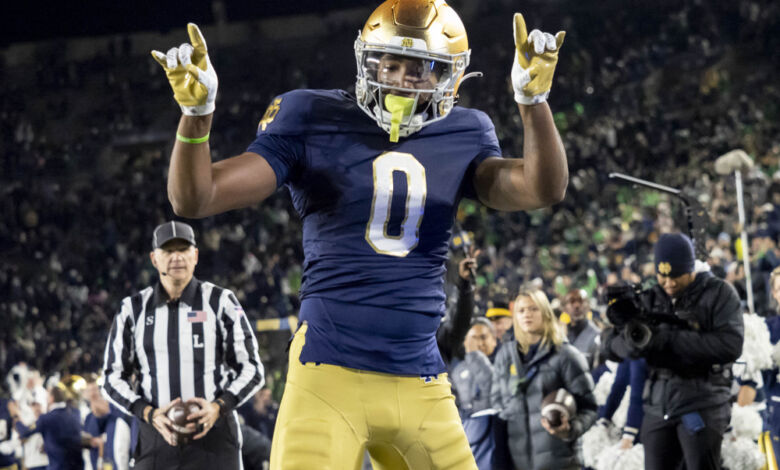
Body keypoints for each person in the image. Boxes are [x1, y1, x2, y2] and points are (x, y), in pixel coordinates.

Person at [151, 0, 568, 466]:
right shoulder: (310, 114)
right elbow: (196, 198)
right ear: (368, 60)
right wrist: (197, 116)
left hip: (423, 381)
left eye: (422, 69)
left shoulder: (466, 131)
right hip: (327, 374)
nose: (401, 80)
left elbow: (541, 188)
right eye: (391, 63)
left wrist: (534, 105)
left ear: (448, 77)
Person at [101, 221, 264, 470]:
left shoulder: (222, 301)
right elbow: (112, 377)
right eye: (168, 250)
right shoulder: (131, 310)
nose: (176, 257)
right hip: (156, 440)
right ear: (154, 259)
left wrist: (218, 407)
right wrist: (148, 413)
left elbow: (252, 368)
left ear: (195, 255)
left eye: (183, 249)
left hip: (215, 441)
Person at [601, 232, 744, 470]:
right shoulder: (650, 296)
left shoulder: (720, 293)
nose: (669, 283)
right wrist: (633, 344)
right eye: (662, 276)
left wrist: (668, 339)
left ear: (691, 268)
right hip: (658, 406)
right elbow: (610, 345)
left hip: (703, 402)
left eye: (676, 275)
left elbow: (730, 345)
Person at [491, 289, 597, 470]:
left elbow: (590, 408)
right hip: (517, 463)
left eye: (533, 309)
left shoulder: (566, 355)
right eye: (521, 310)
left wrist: (569, 430)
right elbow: (498, 406)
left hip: (560, 463)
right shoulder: (504, 356)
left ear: (546, 313)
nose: (527, 315)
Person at [450, 318, 497, 470]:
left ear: (494, 340)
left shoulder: (504, 363)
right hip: (470, 441)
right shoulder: (457, 371)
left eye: (483, 337)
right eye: (473, 338)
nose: (479, 343)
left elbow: (493, 393)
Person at [14, 380, 84, 470]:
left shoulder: (46, 418)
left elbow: (25, 432)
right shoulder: (76, 413)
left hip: (58, 467)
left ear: (51, 398)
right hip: (78, 466)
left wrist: (16, 418)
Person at [82, 374, 131, 470]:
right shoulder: (88, 417)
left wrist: (105, 412)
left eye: (94, 389)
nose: (93, 393)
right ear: (86, 394)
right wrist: (91, 441)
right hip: (95, 459)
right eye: (89, 391)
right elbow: (88, 436)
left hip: (110, 458)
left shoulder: (110, 407)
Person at [560, 288, 600, 369]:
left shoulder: (597, 336)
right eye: (572, 301)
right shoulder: (559, 334)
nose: (577, 305)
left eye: (581, 301)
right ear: (564, 309)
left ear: (588, 306)